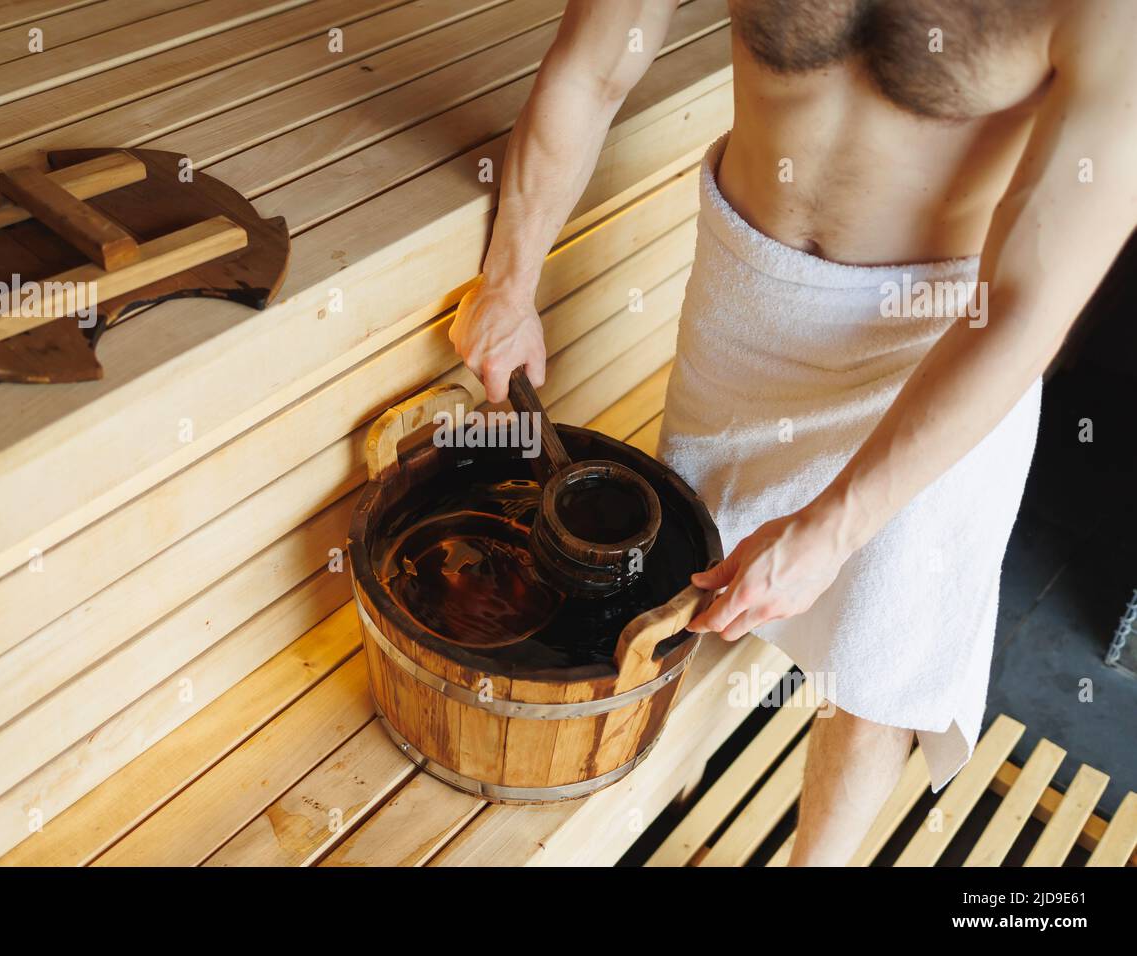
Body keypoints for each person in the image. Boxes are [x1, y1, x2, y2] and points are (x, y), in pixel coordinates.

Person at [449, 0, 1137, 865]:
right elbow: (593, 67)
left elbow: (1028, 306)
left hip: (943, 339)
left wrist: (835, 527)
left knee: (884, 655)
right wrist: (509, 284)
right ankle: (659, 791)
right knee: (683, 576)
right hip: (749, 297)